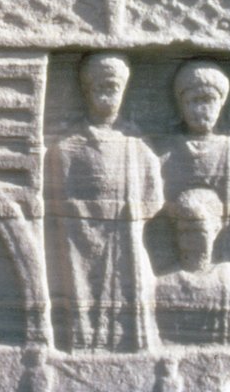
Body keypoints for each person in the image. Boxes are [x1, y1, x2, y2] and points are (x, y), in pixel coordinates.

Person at [45, 53, 162, 351]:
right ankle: (84, 345)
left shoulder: (136, 145)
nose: (107, 95)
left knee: (129, 290)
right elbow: (57, 199)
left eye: (114, 88)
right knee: (83, 294)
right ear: (87, 90)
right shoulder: (68, 146)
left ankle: (128, 344)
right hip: (81, 240)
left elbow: (154, 195)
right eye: (100, 87)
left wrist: (131, 213)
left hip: (124, 238)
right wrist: (86, 214)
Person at [159, 61, 230, 262]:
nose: (201, 109)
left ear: (221, 102)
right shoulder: (166, 155)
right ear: (181, 104)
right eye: (193, 101)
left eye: (209, 100)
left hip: (223, 256)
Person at [154, 188, 230, 345]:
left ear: (216, 229)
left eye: (199, 231)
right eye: (184, 231)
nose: (191, 238)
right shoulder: (164, 282)